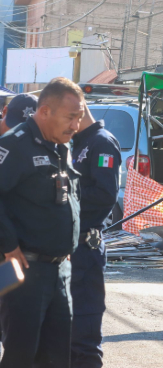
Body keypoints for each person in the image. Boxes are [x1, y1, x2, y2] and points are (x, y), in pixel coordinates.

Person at [0, 78, 85, 367]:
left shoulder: (60, 147)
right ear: (45, 111)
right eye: (70, 117)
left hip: (60, 269)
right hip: (23, 270)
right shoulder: (15, 145)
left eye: (80, 117)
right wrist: (8, 245)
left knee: (57, 356)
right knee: (22, 356)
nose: (76, 125)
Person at [69, 100, 122, 368]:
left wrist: (63, 197)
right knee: (67, 336)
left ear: (78, 112)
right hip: (68, 247)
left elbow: (105, 194)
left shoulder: (101, 142)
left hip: (85, 247)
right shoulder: (78, 142)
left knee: (84, 337)